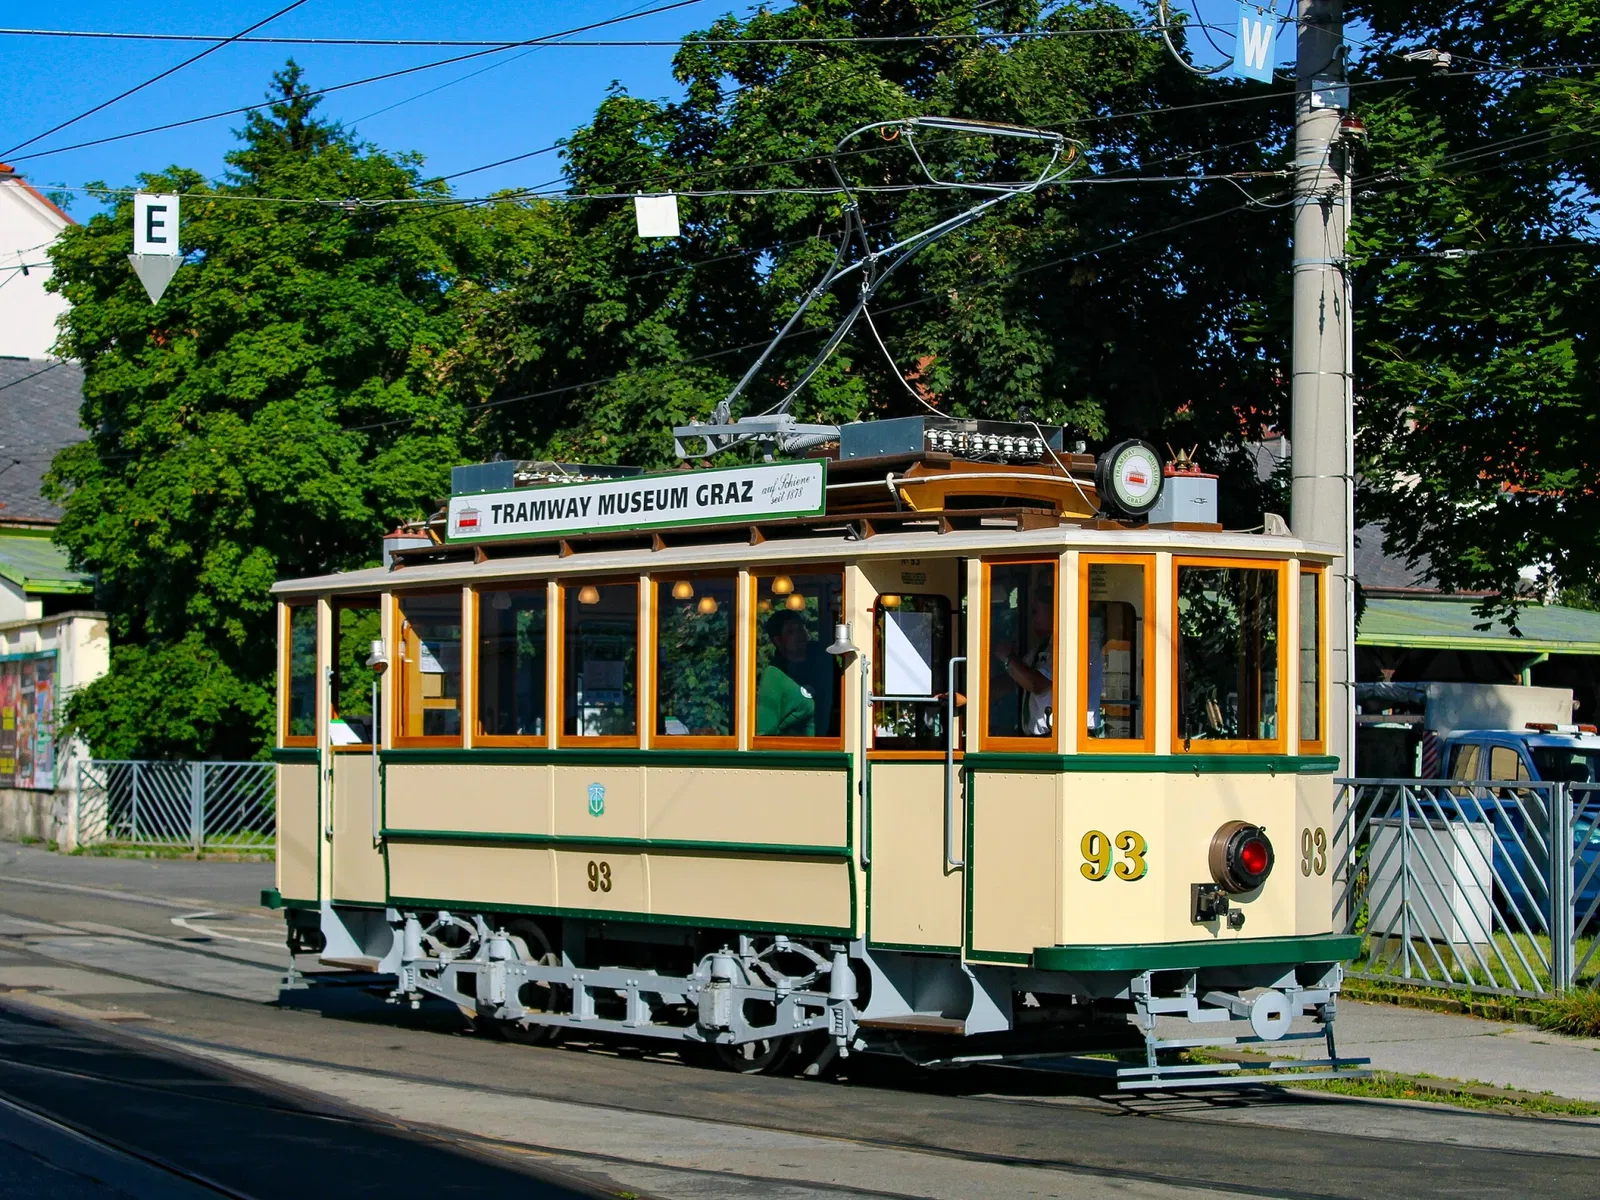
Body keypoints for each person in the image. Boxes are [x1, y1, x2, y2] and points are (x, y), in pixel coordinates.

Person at [996, 591, 1053, 736]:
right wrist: (968, 697)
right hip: (1037, 739)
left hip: (1054, 738)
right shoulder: (1040, 649)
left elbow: (1037, 684)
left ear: (1053, 612)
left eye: (1035, 612)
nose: (1032, 619)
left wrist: (1008, 658)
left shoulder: (1066, 648)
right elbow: (1013, 680)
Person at [757, 610, 818, 736]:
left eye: (801, 628)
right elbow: (764, 732)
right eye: (791, 632)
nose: (800, 634)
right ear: (778, 641)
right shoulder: (773, 676)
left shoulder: (821, 663)